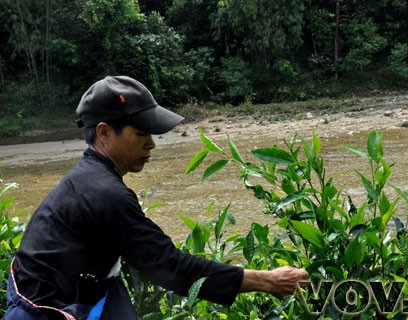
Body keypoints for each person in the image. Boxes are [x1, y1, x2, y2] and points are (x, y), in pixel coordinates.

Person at [5, 76, 308, 320]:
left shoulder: (87, 179)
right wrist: (269, 281)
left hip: (73, 293)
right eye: (141, 134)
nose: (152, 144)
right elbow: (170, 268)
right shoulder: (106, 194)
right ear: (104, 132)